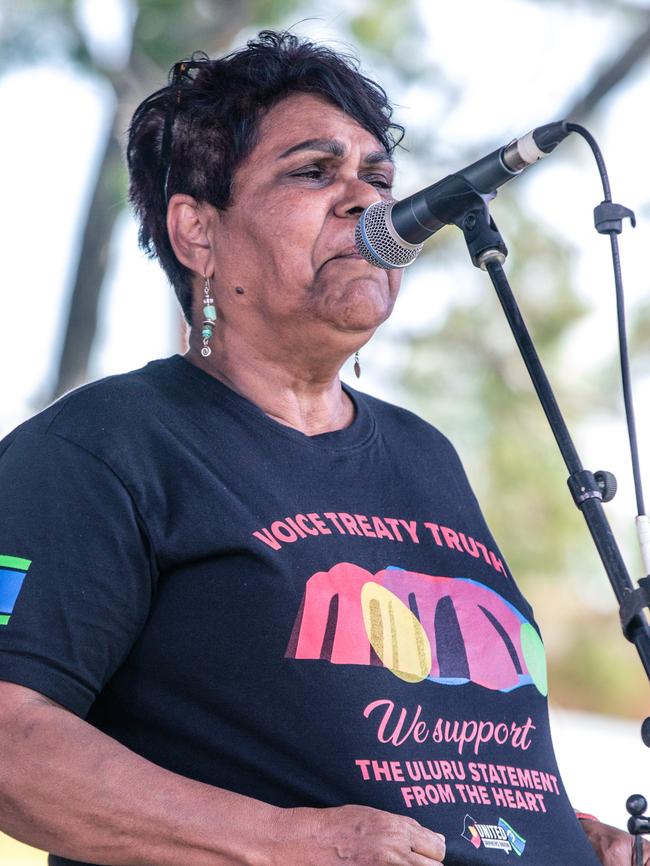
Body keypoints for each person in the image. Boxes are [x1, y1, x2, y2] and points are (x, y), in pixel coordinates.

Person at [0, 30, 644, 866]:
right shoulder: (101, 449)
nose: (365, 202)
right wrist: (287, 842)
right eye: (313, 171)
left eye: (378, 178)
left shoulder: (426, 455)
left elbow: (435, 771)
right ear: (196, 231)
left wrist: (561, 838)